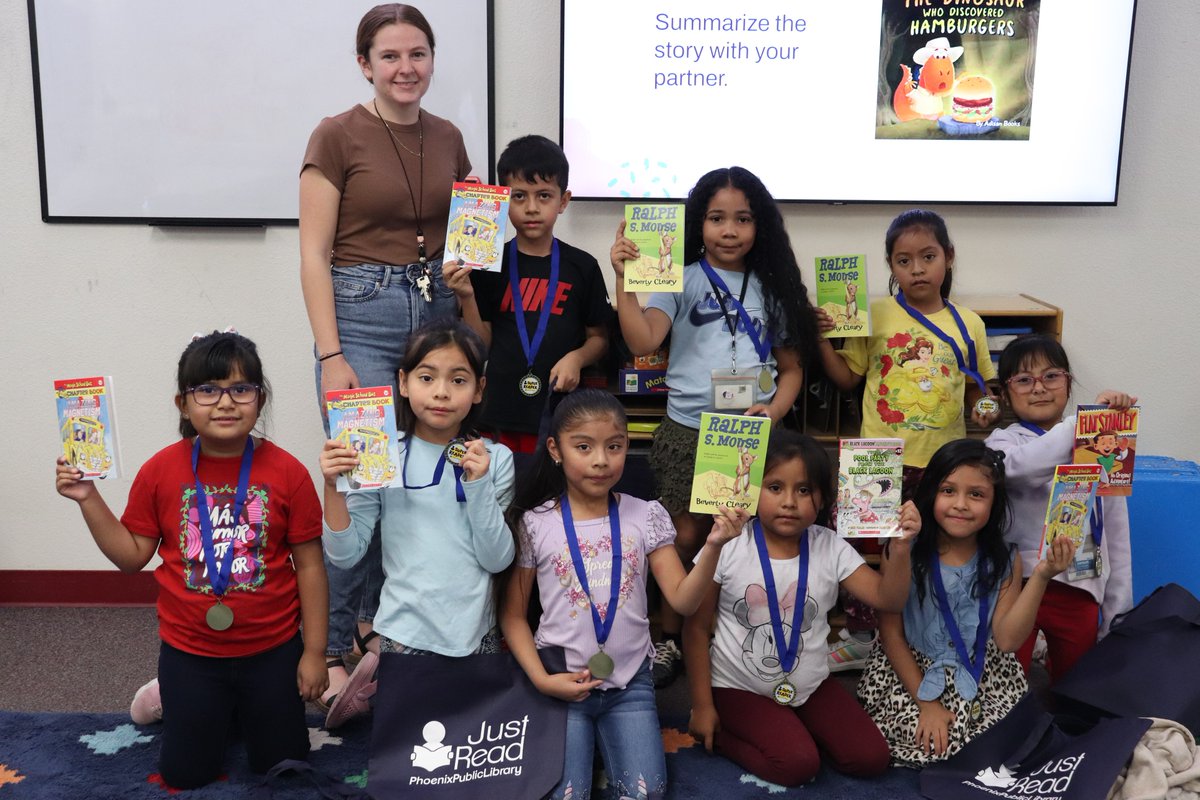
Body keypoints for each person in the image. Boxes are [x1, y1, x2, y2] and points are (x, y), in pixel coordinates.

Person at [55, 331, 328, 790]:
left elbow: (312, 567)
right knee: (185, 775)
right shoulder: (160, 471)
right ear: (183, 404)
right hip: (191, 654)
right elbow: (131, 557)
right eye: (207, 390)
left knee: (282, 766)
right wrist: (88, 497)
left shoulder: (289, 473)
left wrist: (315, 653)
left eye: (241, 389)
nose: (225, 403)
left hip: (273, 650)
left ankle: (233, 708)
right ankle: (172, 695)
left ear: (260, 399)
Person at [299, 3, 471, 708]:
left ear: (432, 60)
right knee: (362, 483)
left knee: (412, 482)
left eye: (417, 54)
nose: (406, 68)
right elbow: (313, 254)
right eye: (390, 56)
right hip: (361, 319)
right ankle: (333, 647)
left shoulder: (449, 136)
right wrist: (331, 354)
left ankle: (378, 631)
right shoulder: (336, 134)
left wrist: (467, 271)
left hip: (434, 316)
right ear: (364, 64)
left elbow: (470, 231)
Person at [610, 166, 820, 686]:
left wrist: (773, 411)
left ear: (759, 225)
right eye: (717, 218)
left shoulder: (773, 287)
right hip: (689, 431)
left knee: (746, 537)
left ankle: (730, 634)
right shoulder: (679, 278)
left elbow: (793, 369)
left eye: (743, 219)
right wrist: (623, 280)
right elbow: (642, 341)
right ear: (698, 225)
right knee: (685, 535)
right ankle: (669, 636)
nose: (730, 230)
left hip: (755, 435)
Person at [499, 389, 743, 800]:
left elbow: (682, 601)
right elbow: (513, 616)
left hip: (630, 685)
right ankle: (586, 748)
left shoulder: (645, 514)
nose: (601, 460)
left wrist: (715, 544)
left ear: (627, 447)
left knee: (647, 793)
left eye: (614, 446)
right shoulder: (535, 524)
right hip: (561, 681)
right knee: (566, 795)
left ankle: (600, 744)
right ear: (556, 450)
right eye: (584, 447)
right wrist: (542, 680)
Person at [683, 430, 919, 786]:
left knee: (871, 758)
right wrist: (703, 706)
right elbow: (696, 628)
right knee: (797, 765)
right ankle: (724, 737)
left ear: (823, 500)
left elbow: (889, 599)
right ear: (752, 491)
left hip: (809, 684)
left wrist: (900, 548)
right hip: (737, 686)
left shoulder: (830, 545)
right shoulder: (728, 545)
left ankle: (792, 728)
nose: (789, 502)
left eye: (804, 490)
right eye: (775, 487)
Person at [320, 318, 514, 727]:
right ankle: (376, 678)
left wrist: (478, 485)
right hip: (403, 634)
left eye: (458, 380)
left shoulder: (494, 458)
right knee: (409, 748)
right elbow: (345, 555)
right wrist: (333, 486)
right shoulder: (380, 453)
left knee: (467, 748)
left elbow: (497, 559)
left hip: (475, 634)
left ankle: (371, 687)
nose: (442, 392)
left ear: (479, 389)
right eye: (427, 377)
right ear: (403, 383)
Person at [857, 439, 1075, 767]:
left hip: (982, 674)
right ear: (930, 493)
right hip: (912, 672)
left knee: (1006, 744)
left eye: (976, 494)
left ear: (994, 502)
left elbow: (1008, 640)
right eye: (948, 491)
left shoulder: (1005, 559)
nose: (960, 504)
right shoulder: (904, 548)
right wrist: (927, 704)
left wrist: (1042, 575)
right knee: (928, 742)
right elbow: (891, 635)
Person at [816, 209, 1001, 498]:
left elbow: (974, 387)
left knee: (933, 527)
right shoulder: (872, 314)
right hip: (878, 455)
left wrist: (984, 407)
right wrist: (819, 338)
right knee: (871, 527)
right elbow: (847, 378)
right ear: (890, 264)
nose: (917, 269)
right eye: (904, 261)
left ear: (949, 256)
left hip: (944, 461)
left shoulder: (970, 323)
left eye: (928, 257)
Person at [446, 135, 612, 454]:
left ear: (563, 201)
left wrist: (577, 358)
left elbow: (599, 339)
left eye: (544, 196)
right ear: (504, 200)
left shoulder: (583, 266)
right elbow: (481, 345)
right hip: (498, 414)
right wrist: (466, 296)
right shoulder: (486, 266)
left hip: (560, 413)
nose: (531, 208)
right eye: (519, 196)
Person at [984, 334, 1136, 681]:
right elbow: (1019, 470)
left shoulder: (1103, 450)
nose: (1039, 388)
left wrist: (1117, 615)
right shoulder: (1002, 442)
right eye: (1024, 380)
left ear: (1068, 383)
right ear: (1005, 394)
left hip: (1080, 587)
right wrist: (1083, 425)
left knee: (1077, 686)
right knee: (1006, 687)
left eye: (1051, 376)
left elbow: (1116, 536)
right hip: (1016, 587)